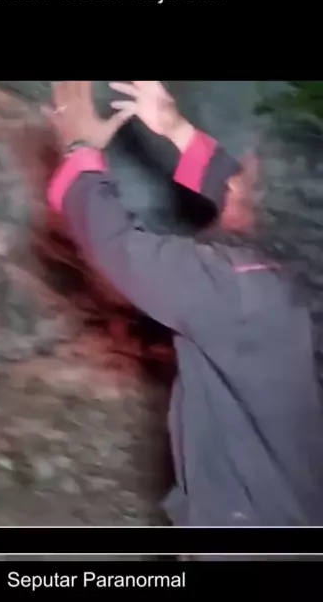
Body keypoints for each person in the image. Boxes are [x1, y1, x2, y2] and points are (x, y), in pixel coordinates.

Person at [44, 81, 323, 527]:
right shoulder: (305, 260)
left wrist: (78, 148)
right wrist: (175, 129)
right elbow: (248, 190)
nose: (231, 182)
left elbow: (120, 249)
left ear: (272, 208)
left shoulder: (240, 291)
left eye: (245, 180)